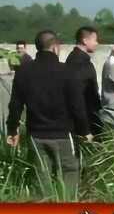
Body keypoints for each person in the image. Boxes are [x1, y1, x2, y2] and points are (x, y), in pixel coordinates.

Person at [6, 30, 92, 200]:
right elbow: (77, 106)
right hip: (63, 134)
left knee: (42, 174)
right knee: (69, 171)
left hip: (36, 135)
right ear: (55, 47)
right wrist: (84, 131)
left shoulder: (24, 71)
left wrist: (12, 130)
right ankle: (66, 210)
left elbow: (15, 104)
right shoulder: (67, 71)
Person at [65, 26, 102, 136]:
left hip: (83, 119)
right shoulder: (80, 63)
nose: (97, 43)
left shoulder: (74, 59)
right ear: (85, 41)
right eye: (95, 40)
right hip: (85, 122)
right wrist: (85, 130)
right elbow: (78, 98)